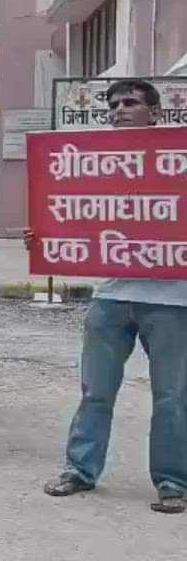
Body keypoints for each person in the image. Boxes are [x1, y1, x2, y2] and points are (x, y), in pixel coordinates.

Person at [26, 79, 187, 515]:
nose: (119, 109)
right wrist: (46, 235)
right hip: (111, 295)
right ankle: (80, 470)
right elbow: (74, 212)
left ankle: (173, 481)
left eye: (130, 102)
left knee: (172, 395)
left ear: (156, 112)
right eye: (113, 104)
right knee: (95, 391)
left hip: (172, 300)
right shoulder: (93, 163)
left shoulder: (180, 160)